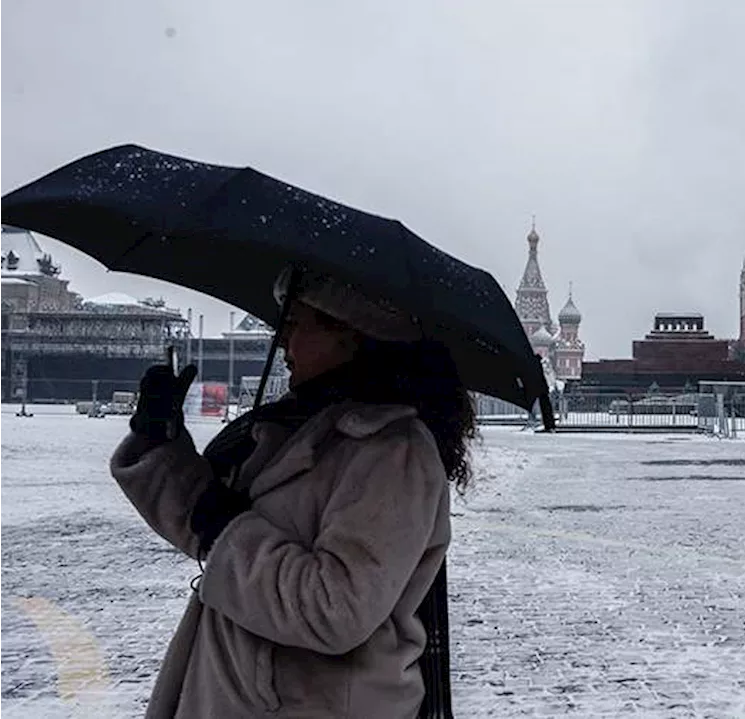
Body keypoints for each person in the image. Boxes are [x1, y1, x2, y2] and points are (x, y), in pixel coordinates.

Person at [110, 267, 477, 718]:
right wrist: (159, 440)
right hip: (237, 692)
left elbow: (337, 608)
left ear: (350, 335)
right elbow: (205, 525)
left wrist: (228, 530)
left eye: (297, 323)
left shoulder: (391, 451)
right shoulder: (288, 429)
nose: (283, 338)